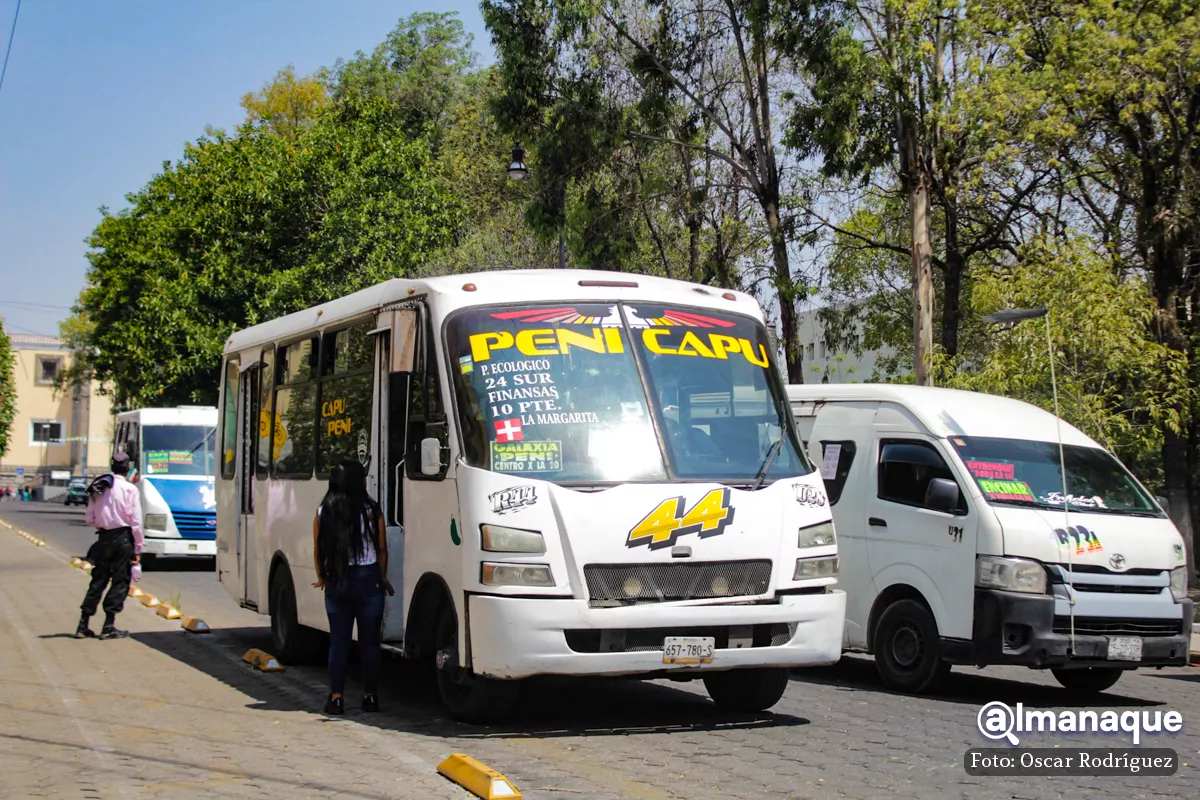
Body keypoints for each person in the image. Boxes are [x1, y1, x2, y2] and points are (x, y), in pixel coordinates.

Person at [312, 460, 394, 715]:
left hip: (337, 579)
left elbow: (318, 548)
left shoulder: (324, 510)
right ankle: (370, 697)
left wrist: (322, 577)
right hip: (368, 579)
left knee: (339, 642)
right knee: (369, 644)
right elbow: (382, 548)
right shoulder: (372, 510)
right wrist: (381, 576)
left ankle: (336, 698)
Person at [75, 452, 143, 640]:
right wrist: (138, 548)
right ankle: (108, 625)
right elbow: (136, 522)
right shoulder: (130, 490)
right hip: (123, 539)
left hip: (104, 538)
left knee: (98, 580)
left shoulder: (99, 486)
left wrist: (102, 523)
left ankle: (83, 624)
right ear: (128, 468)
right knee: (120, 580)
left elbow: (89, 518)